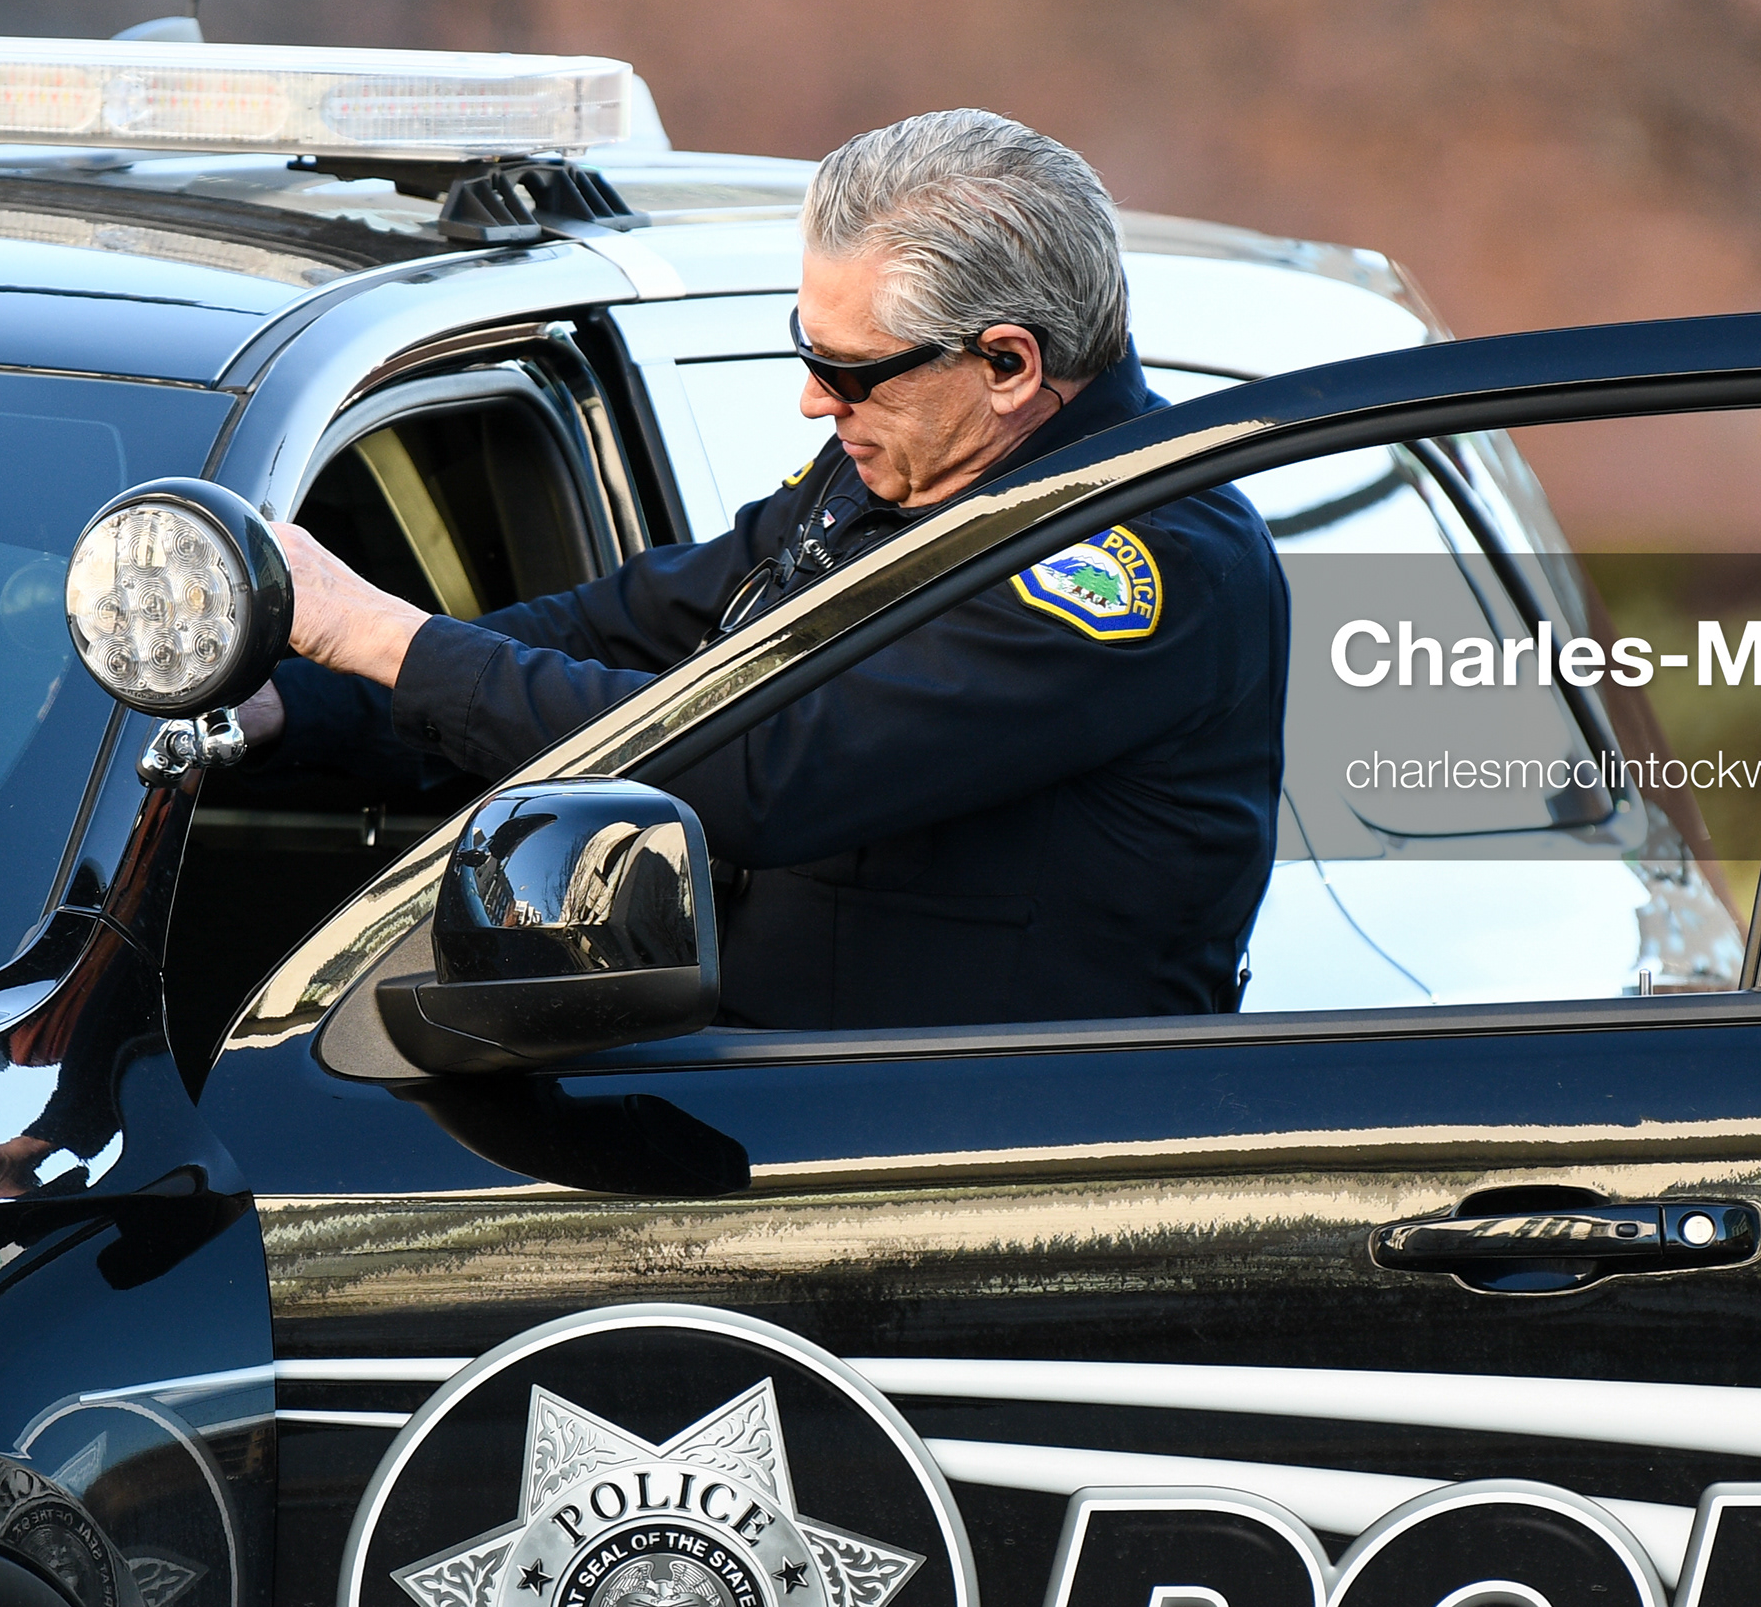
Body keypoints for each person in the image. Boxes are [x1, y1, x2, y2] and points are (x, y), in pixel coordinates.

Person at [238, 108, 1285, 1031]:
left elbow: (765, 772)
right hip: (767, 1123)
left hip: (967, 1182)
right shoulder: (902, 454)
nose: (816, 403)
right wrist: (301, 705)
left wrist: (381, 635)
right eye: (806, 350)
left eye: (846, 371)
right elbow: (626, 625)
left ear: (1007, 364)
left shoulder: (1139, 568)